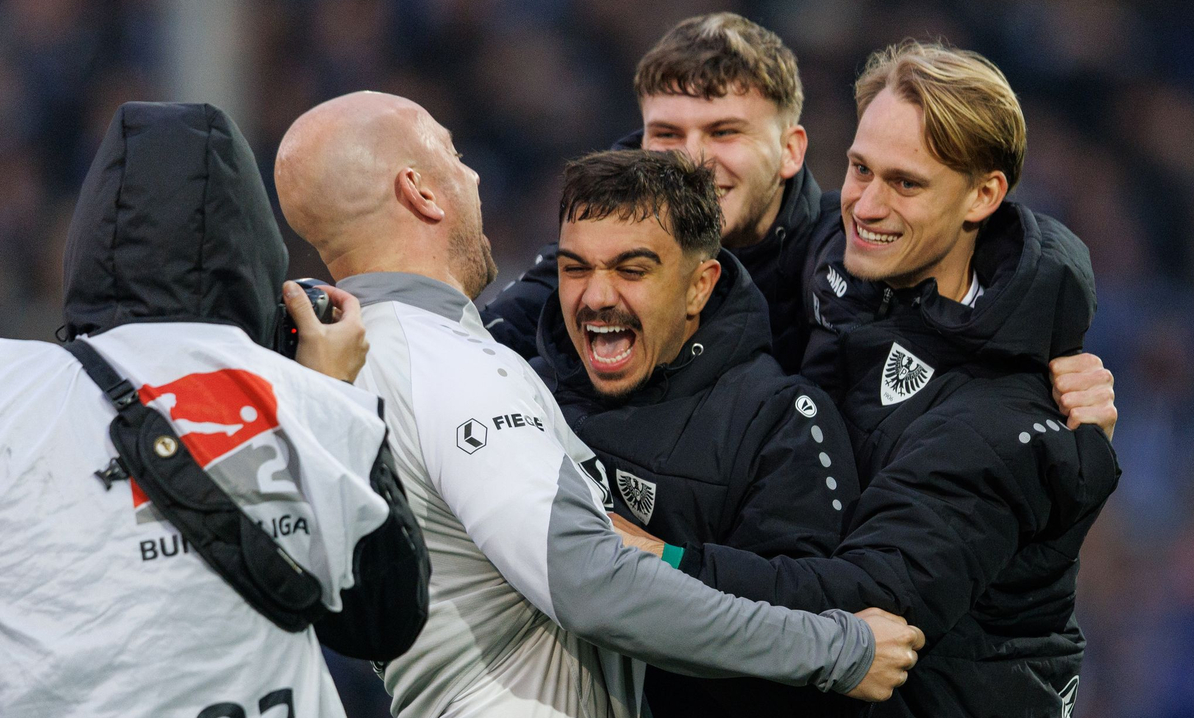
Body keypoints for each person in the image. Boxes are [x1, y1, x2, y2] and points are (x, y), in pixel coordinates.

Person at [274, 90, 925, 718]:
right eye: (454, 155)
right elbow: (591, 582)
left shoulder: (343, 370)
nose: (473, 178)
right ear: (419, 190)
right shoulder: (450, 367)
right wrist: (836, 649)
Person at [618, 42, 1121, 718]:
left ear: (984, 194)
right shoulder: (842, 258)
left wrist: (660, 560)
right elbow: (713, 217)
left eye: (905, 183)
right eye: (859, 169)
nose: (866, 204)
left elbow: (869, 599)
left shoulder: (1005, 416)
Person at [481, 12, 1118, 436]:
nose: (692, 159)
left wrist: (1042, 357)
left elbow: (1017, 270)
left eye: (724, 131)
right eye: (667, 133)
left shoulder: (853, 257)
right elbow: (480, 347)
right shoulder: (592, 254)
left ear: (791, 149)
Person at [0, 102, 429, 717]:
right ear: (256, 251)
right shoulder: (312, 403)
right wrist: (335, 394)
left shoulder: (14, 387)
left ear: (92, 243)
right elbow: (384, 624)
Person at [535, 148, 862, 717]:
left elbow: (812, 616)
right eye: (575, 268)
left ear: (698, 286)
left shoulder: (779, 422)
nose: (596, 296)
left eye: (631, 270)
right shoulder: (523, 393)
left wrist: (662, 560)